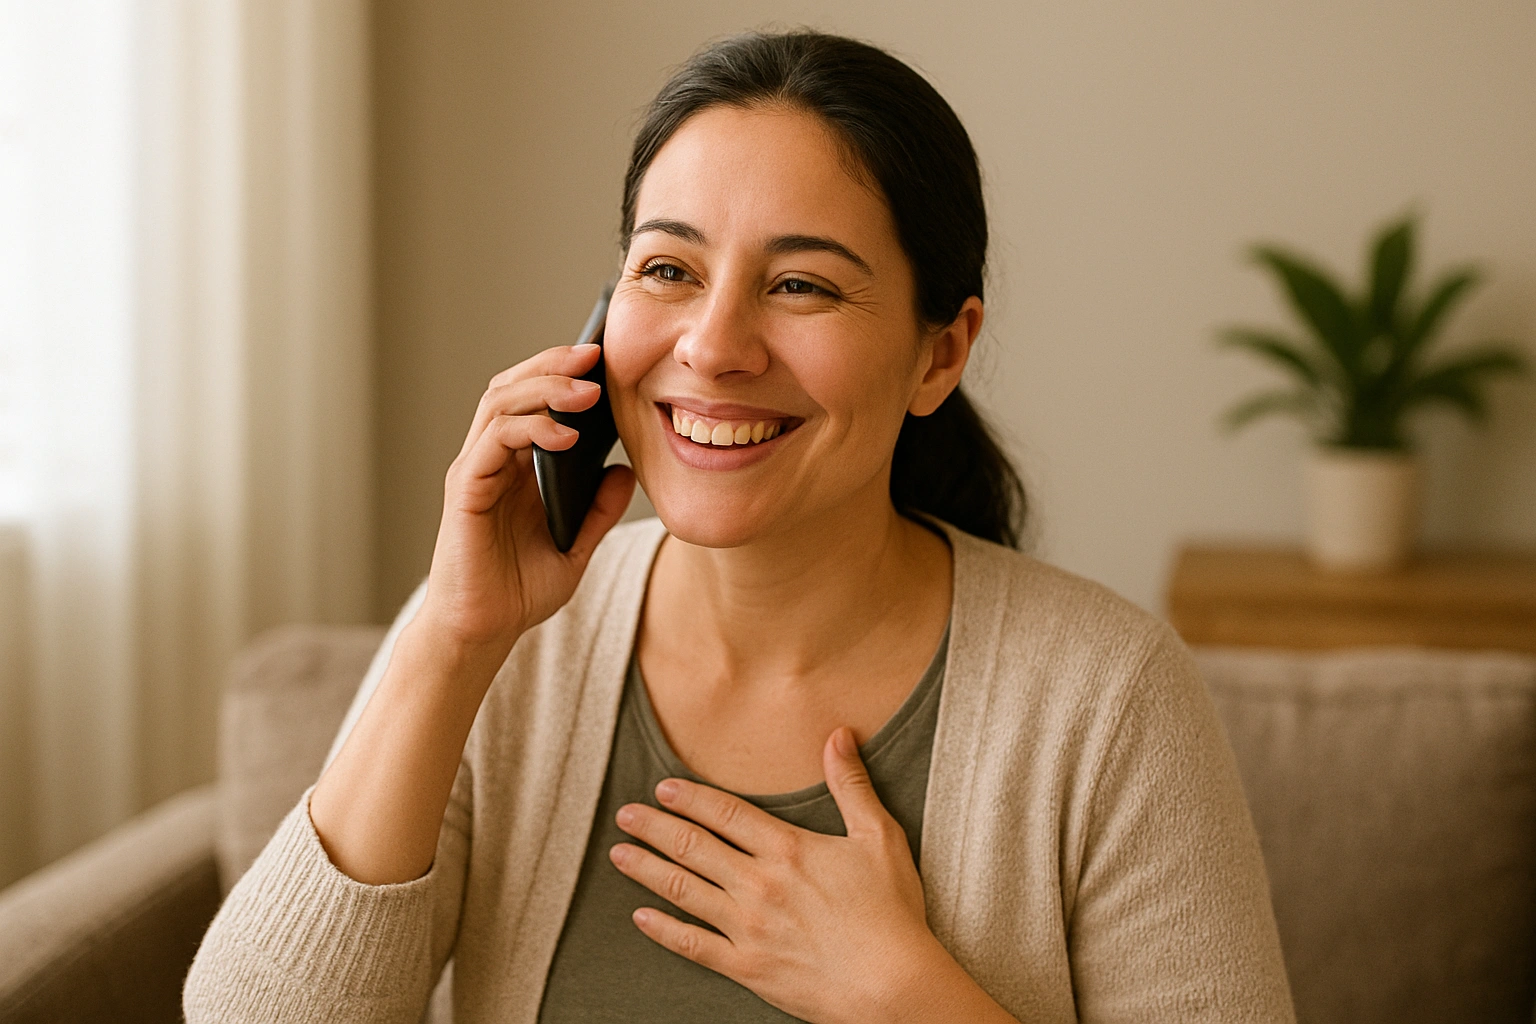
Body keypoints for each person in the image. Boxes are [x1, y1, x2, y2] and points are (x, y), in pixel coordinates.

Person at [184, 29, 1295, 1024]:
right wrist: (454, 642)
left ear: (939, 354)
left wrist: (902, 997)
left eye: (802, 285)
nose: (714, 347)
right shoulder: (506, 649)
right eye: (667, 268)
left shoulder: (1110, 699)